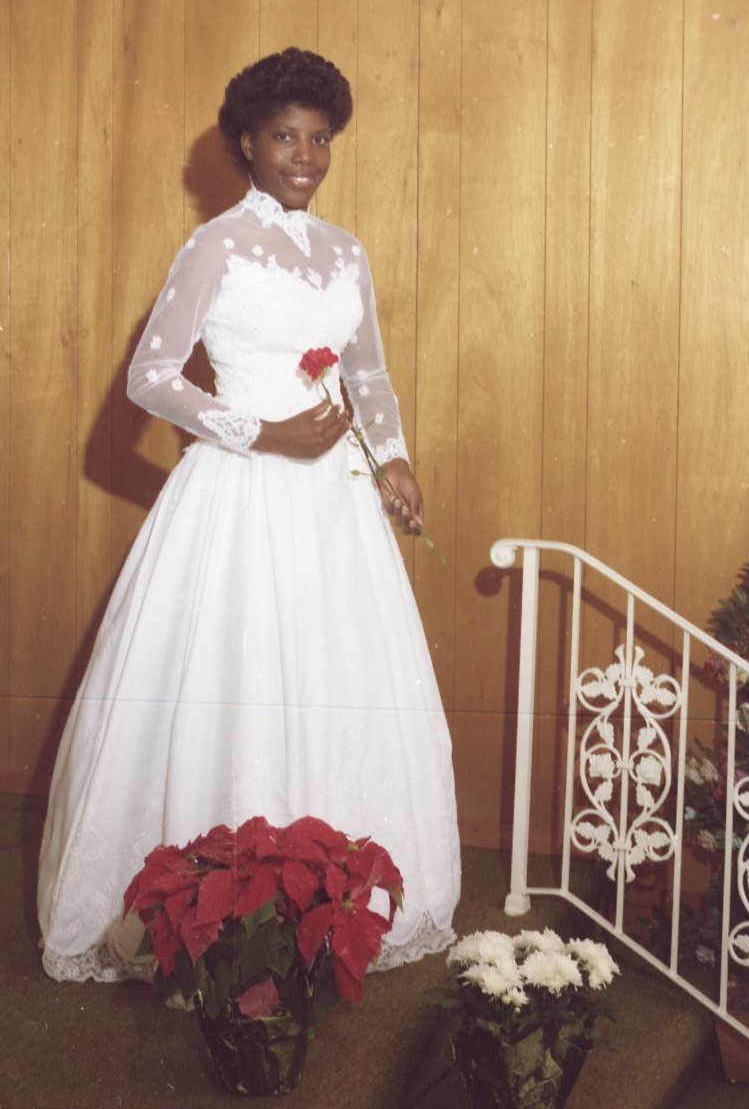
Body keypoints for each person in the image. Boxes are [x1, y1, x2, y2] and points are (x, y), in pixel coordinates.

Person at [36, 48, 460, 983]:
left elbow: (370, 374)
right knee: (241, 675)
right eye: (284, 137)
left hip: (336, 510)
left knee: (332, 672)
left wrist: (391, 458)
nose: (304, 156)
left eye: (320, 139)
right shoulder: (215, 245)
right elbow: (150, 377)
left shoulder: (347, 250)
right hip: (241, 496)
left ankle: (332, 902)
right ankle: (228, 912)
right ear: (246, 143)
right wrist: (259, 430)